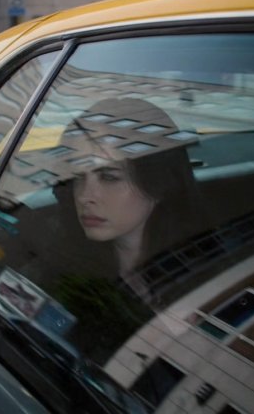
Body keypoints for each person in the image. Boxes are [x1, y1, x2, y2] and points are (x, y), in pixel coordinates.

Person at [55, 98, 202, 297]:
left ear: (157, 181)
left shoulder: (205, 269)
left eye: (109, 177)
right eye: (77, 175)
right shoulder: (61, 269)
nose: (84, 196)